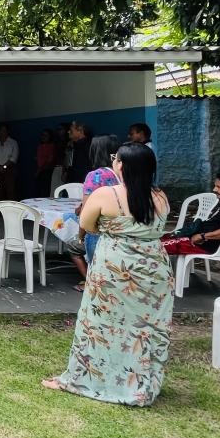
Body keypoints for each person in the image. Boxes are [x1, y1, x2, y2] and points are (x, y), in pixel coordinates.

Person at [44, 142, 172, 406]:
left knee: (100, 325)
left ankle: (89, 379)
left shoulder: (106, 195)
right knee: (145, 329)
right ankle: (140, 386)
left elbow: (86, 225)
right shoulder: (160, 197)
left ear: (121, 165)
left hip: (114, 268)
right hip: (153, 270)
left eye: (117, 158)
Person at [69, 134, 123, 289]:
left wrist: (81, 236)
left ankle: (90, 285)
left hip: (99, 232)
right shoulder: (123, 173)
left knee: (98, 273)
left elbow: (86, 211)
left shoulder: (96, 175)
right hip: (121, 230)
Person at [162, 173, 220, 255]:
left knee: (153, 247)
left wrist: (202, 236)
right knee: (157, 240)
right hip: (200, 241)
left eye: (219, 187)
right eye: (215, 186)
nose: (214, 189)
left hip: (205, 246)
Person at [34, 128, 58, 198]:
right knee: (38, 190)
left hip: (47, 171)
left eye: (46, 135)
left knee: (45, 190)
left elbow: (49, 160)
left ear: (50, 137)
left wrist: (39, 170)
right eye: (42, 135)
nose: (43, 137)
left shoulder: (52, 146)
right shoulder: (40, 146)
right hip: (39, 170)